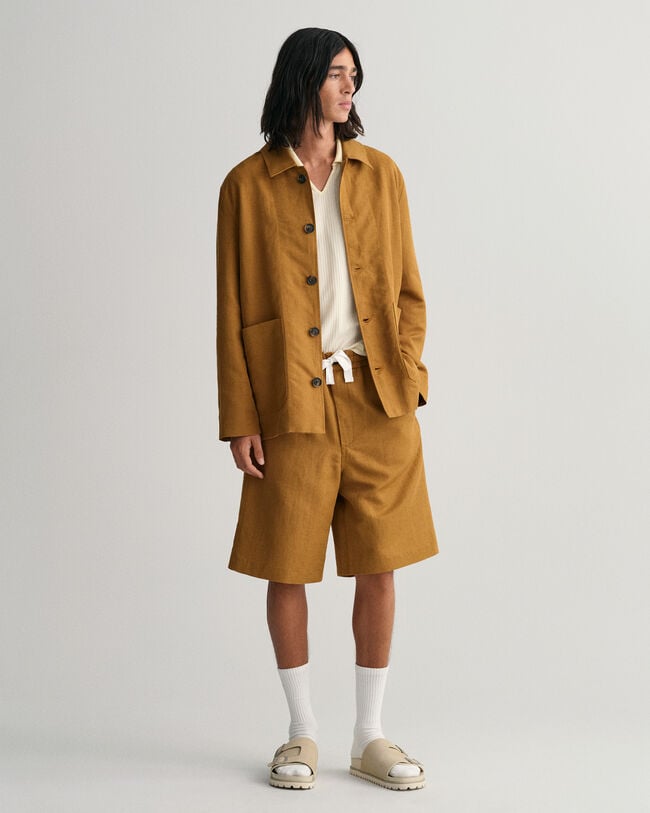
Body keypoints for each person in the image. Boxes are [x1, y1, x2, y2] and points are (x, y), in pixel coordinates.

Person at [216, 27, 438, 791]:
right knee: (287, 563)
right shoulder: (246, 186)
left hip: (377, 400)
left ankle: (369, 734)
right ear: (304, 79)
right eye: (338, 74)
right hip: (288, 402)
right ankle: (300, 733)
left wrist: (407, 376)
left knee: (380, 562)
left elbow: (409, 291)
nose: (350, 88)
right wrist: (241, 416)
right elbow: (231, 309)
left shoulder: (381, 174)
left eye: (354, 76)